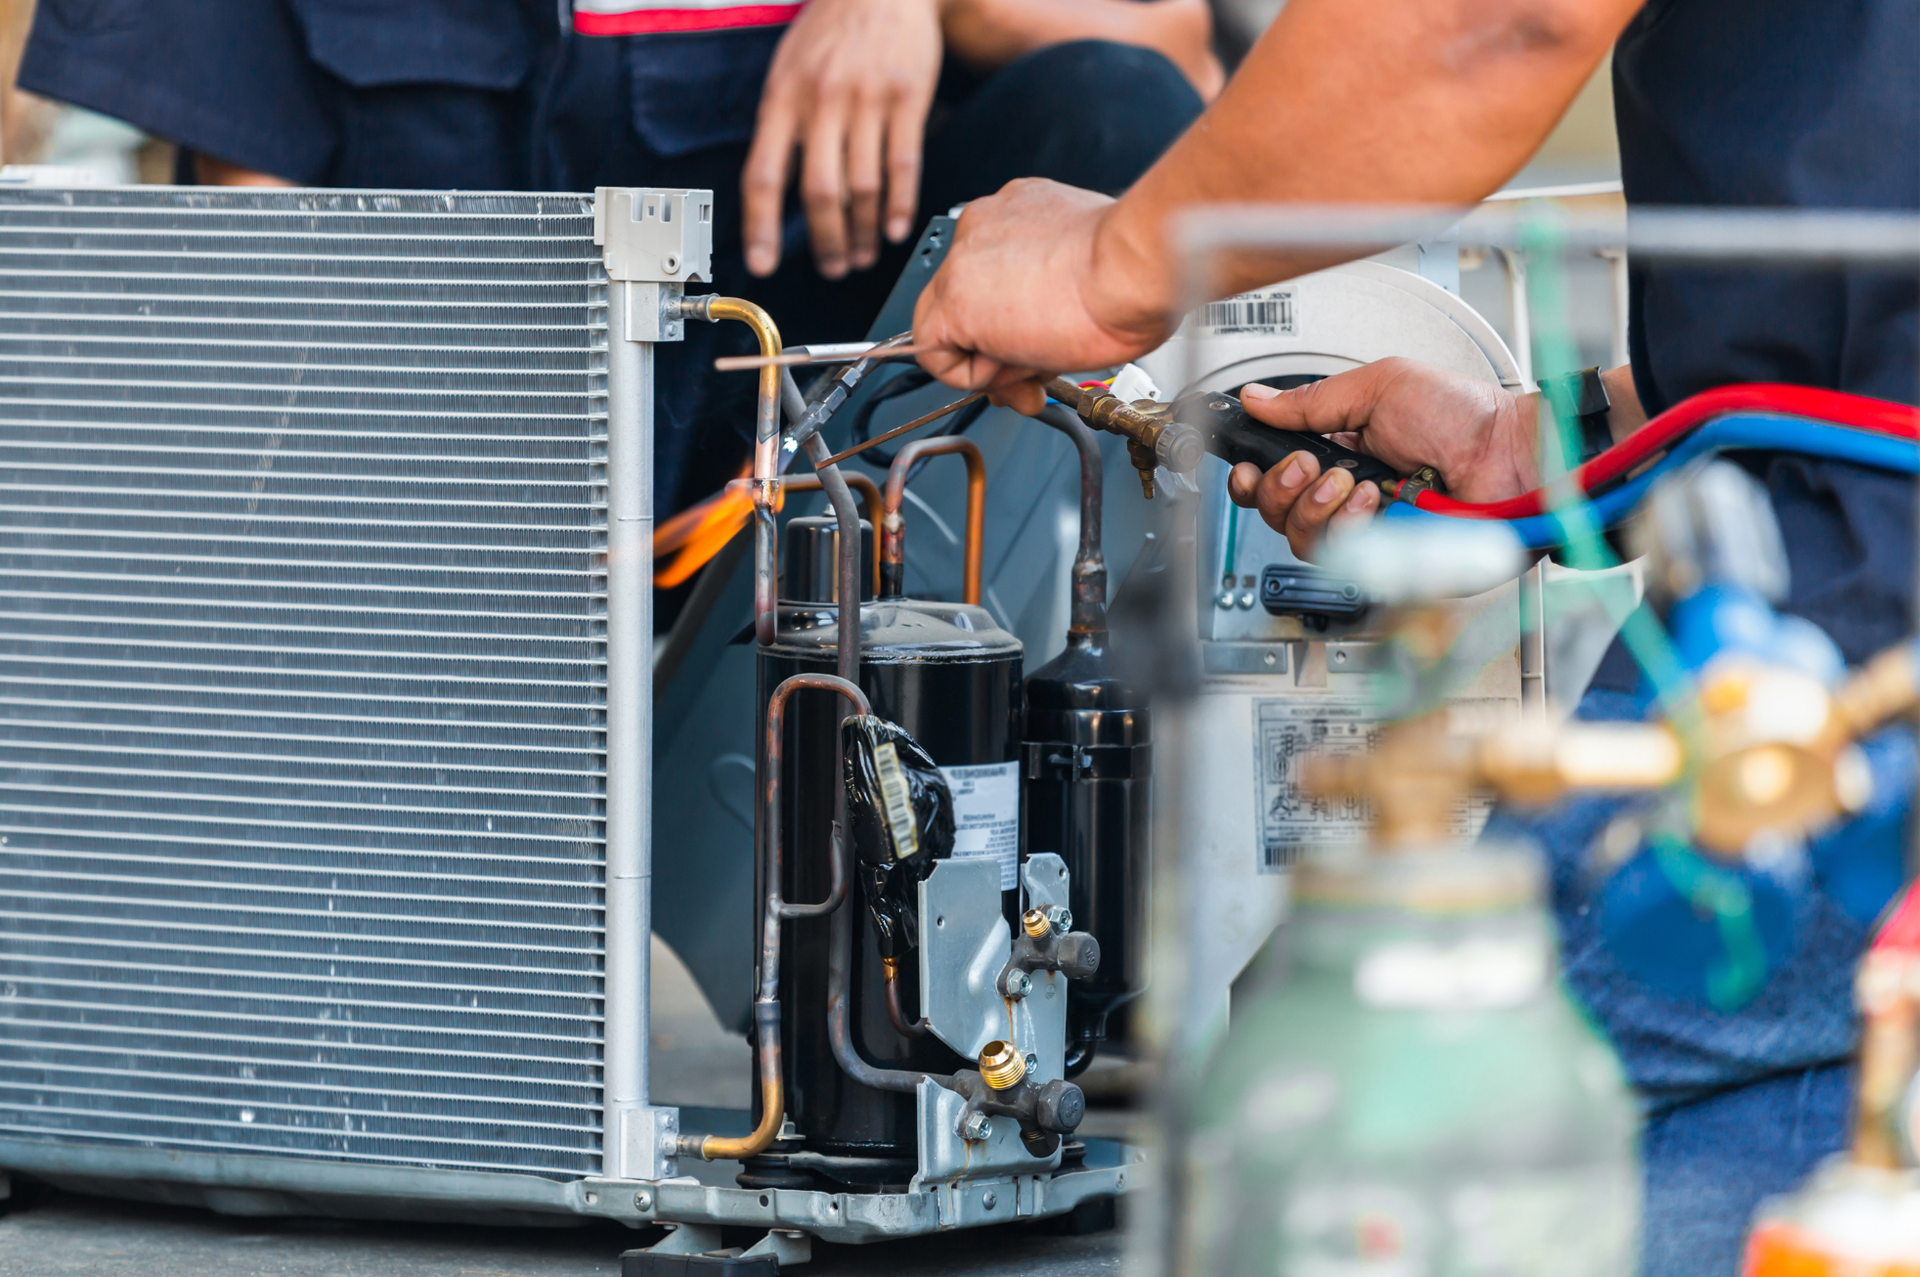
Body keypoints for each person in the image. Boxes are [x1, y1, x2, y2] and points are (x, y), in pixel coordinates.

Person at [909, 0, 1918, 1271]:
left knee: (1359, 1109)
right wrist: (1546, 438)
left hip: (1865, 630)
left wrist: (1103, 268)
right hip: (1856, 558)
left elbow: (1497, 17)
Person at [15, 0, 1218, 516]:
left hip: (836, 479)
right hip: (436, 513)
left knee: (1108, 112)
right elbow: (251, 275)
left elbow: (1171, 58)